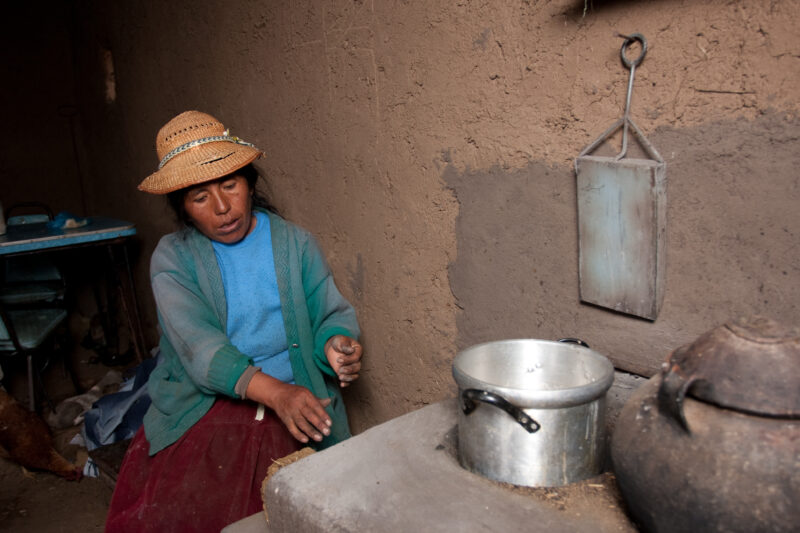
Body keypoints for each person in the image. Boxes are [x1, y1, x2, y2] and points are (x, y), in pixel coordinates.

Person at [105, 110, 363, 532]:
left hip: (296, 395)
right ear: (183, 209)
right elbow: (201, 350)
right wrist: (277, 394)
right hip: (212, 405)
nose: (223, 208)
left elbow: (329, 313)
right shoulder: (174, 259)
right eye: (200, 196)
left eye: (230, 185)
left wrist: (335, 344)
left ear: (249, 182)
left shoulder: (294, 244)